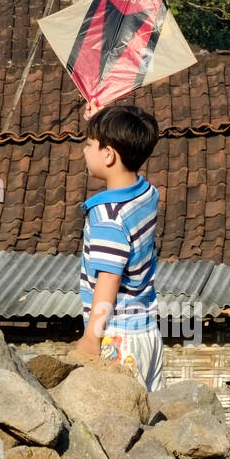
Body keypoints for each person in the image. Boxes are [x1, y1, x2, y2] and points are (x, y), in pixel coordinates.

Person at [72, 103, 163, 392]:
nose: (84, 151)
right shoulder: (147, 194)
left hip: (117, 340)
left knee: (117, 425)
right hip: (147, 334)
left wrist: (91, 337)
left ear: (109, 155)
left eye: (89, 145)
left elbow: (108, 279)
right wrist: (102, 122)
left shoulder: (107, 216)